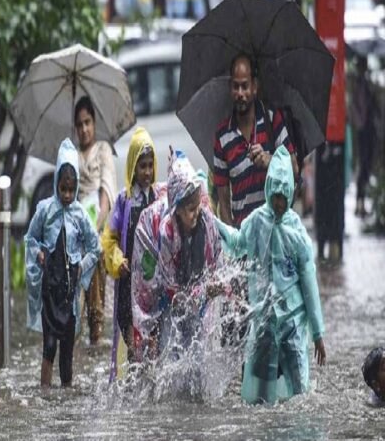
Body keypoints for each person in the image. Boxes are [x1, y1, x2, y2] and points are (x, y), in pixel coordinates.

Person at [216, 145, 327, 405]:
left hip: (293, 323)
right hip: (264, 321)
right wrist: (214, 223)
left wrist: (318, 333)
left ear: (290, 194)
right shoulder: (256, 222)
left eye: (283, 195)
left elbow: (309, 283)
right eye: (275, 194)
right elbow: (236, 243)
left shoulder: (297, 232)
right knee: (259, 399)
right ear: (268, 191)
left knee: (301, 394)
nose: (278, 201)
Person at [25, 138, 101, 387]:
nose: (67, 195)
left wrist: (82, 266)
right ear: (56, 182)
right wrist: (38, 254)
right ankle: (44, 394)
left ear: (77, 185)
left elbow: (95, 247)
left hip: (69, 293)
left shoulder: (80, 214)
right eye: (63, 189)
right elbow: (31, 238)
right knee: (49, 348)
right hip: (50, 291)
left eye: (72, 189)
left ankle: (66, 399)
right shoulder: (45, 210)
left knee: (67, 354)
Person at [137, 152, 226, 363]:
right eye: (190, 209)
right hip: (171, 303)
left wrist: (220, 287)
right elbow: (170, 288)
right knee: (171, 357)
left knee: (198, 358)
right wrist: (202, 292)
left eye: (197, 207)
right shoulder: (167, 234)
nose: (196, 213)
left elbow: (218, 261)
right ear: (176, 209)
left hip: (199, 301)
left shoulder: (207, 222)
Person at [102, 127, 165, 381]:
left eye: (151, 165)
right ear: (132, 167)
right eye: (142, 166)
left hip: (152, 286)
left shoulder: (159, 199)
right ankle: (132, 389)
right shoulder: (123, 202)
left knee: (153, 345)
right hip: (129, 287)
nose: (147, 172)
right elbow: (108, 240)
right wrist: (117, 260)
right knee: (133, 344)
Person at [214, 53, 298, 228]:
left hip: (276, 235)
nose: (240, 93)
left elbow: (294, 169)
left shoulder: (272, 120)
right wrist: (233, 242)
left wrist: (270, 161)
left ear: (255, 87)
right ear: (230, 88)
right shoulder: (222, 136)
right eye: (235, 87)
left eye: (245, 86)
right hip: (244, 241)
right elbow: (223, 198)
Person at [74, 96, 118, 345]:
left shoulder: (103, 150)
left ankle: (96, 335)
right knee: (75, 299)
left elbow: (107, 192)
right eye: (79, 125)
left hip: (98, 229)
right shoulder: (72, 154)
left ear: (94, 122)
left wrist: (97, 224)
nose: (84, 129)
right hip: (76, 230)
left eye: (88, 122)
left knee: (96, 299)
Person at [351, 57, 376, 217]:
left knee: (366, 166)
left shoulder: (366, 84)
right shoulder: (359, 85)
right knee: (363, 165)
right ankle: (359, 203)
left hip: (367, 129)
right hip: (363, 130)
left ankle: (361, 202)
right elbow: (355, 107)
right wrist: (361, 122)